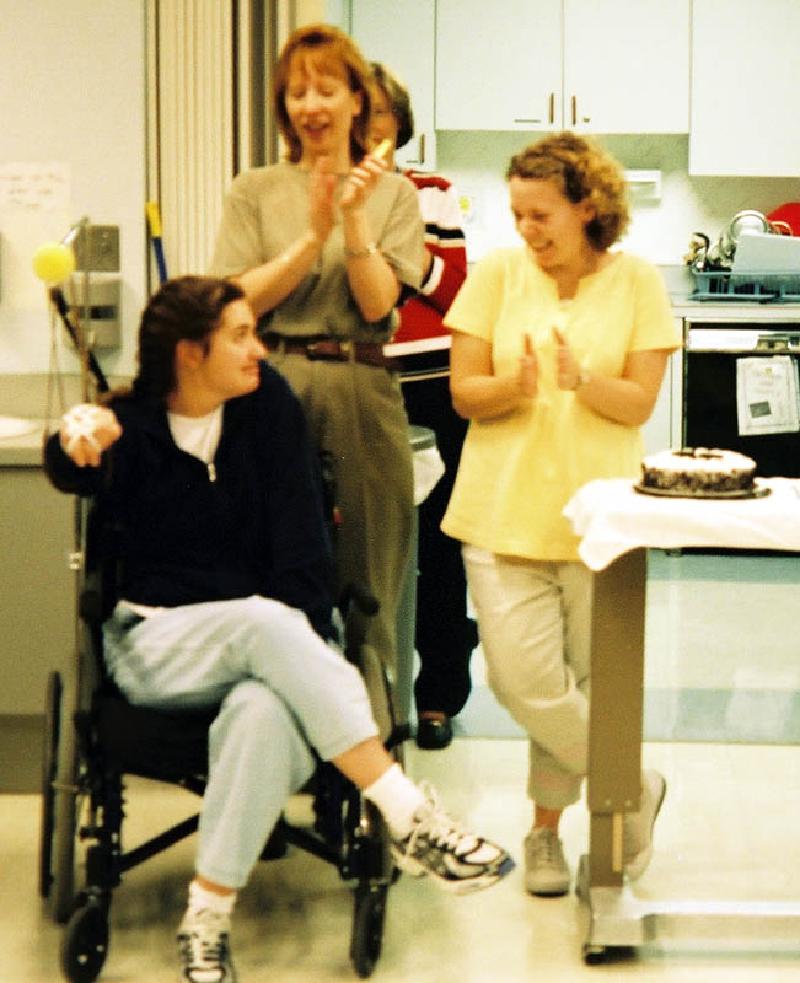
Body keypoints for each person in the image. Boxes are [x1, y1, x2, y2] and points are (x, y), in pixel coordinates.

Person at [44, 276, 513, 982]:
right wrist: (67, 439)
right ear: (189, 353)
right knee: (266, 625)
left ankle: (205, 919)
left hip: (270, 648)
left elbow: (303, 552)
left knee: (263, 709)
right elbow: (72, 460)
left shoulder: (270, 412)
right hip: (156, 644)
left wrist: (306, 643)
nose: (258, 349)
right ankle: (406, 811)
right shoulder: (130, 424)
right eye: (239, 335)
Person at [441, 133, 681, 898]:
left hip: (600, 517)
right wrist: (512, 385)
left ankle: (552, 835)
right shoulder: (495, 276)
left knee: (589, 684)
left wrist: (580, 381)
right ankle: (635, 782)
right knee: (523, 684)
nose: (527, 229)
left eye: (540, 213)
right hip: (500, 510)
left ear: (588, 207)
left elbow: (640, 402)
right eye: (518, 213)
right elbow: (462, 394)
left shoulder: (638, 282)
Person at [209, 24, 425, 684]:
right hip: (266, 380)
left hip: (360, 383)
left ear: (356, 100)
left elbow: (375, 303)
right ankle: (274, 718)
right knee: (266, 555)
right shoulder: (255, 188)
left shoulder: (395, 193)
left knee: (369, 564)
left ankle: (372, 732)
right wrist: (311, 238)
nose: (311, 105)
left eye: (326, 89)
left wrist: (354, 217)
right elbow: (235, 297)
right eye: (297, 92)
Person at [368, 63, 477, 750]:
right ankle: (365, 695)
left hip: (435, 387)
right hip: (366, 386)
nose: (370, 127)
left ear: (399, 125)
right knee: (367, 548)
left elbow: (455, 286)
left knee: (441, 545)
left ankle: (437, 693)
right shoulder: (328, 197)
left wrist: (393, 253)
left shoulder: (434, 194)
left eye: (381, 115)